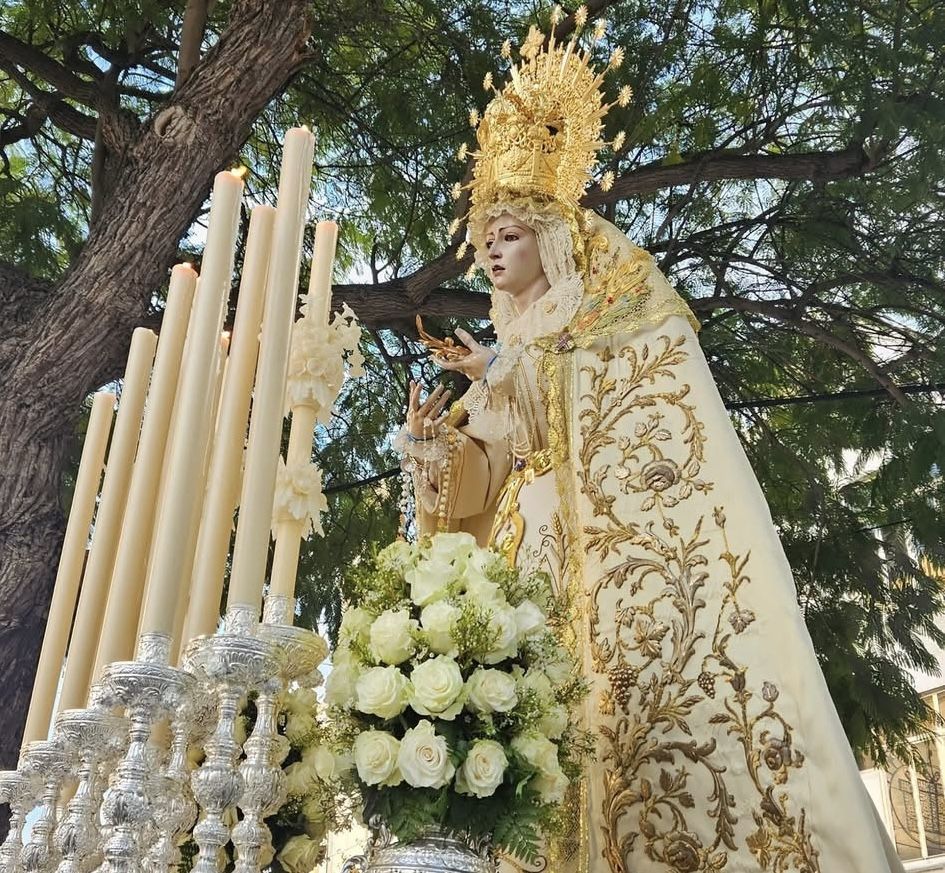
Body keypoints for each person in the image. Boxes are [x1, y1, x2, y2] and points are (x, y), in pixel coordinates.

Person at [396, 19, 904, 873]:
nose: (490, 247)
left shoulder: (605, 322)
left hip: (606, 570)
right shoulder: (500, 353)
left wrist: (519, 372)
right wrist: (432, 452)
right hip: (529, 572)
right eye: (484, 236)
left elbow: (624, 414)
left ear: (552, 239)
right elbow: (480, 486)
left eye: (509, 232)